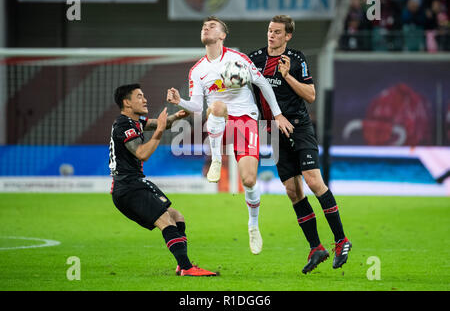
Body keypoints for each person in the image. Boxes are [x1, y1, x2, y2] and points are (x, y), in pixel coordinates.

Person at [166, 16, 294, 255]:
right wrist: (179, 101)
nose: (206, 27)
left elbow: (264, 85)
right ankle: (216, 159)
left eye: (212, 26)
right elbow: (195, 106)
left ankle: (253, 224)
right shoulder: (198, 70)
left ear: (222, 35)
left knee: (248, 180)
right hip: (220, 122)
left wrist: (276, 115)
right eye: (204, 25)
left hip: (245, 120)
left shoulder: (238, 60)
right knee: (215, 106)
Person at [248, 15, 352, 274]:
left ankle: (341, 240)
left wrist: (287, 76)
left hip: (298, 126)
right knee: (293, 191)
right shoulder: (254, 59)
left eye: (277, 32)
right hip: (272, 132)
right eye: (269, 30)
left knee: (314, 181)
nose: (271, 35)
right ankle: (316, 247)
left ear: (288, 36)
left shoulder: (296, 59)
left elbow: (311, 95)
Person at [109, 83, 217, 277]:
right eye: (139, 96)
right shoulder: (123, 125)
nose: (145, 99)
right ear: (126, 102)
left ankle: (182, 264)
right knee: (165, 219)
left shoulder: (135, 122)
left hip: (135, 184)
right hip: (128, 187)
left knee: (176, 216)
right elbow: (142, 153)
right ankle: (186, 267)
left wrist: (177, 116)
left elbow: (162, 123)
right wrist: (158, 131)